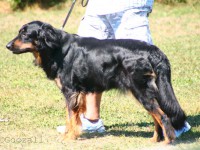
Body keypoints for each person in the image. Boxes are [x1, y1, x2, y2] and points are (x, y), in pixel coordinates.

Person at [57, 0, 191, 136]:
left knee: (142, 71)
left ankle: (174, 123)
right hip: (96, 8)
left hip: (129, 6)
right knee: (89, 65)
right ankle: (92, 121)